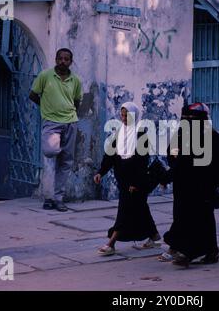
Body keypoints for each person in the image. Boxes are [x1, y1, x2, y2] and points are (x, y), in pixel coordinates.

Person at [160, 103, 219, 267]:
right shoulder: (182, 135)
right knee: (183, 217)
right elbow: (173, 154)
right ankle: (190, 249)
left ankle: (194, 252)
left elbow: (216, 165)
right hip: (183, 186)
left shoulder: (213, 137)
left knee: (203, 219)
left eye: (192, 118)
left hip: (202, 186)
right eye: (186, 118)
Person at [93, 102, 161, 256]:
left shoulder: (141, 135)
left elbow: (142, 162)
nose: (124, 118)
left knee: (124, 210)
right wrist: (100, 172)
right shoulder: (119, 133)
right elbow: (110, 155)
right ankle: (154, 235)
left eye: (127, 115)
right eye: (122, 115)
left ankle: (111, 243)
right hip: (123, 180)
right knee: (141, 208)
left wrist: (136, 183)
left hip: (135, 182)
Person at [29, 48, 82, 212]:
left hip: (70, 122)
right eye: (60, 58)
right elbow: (33, 95)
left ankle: (57, 198)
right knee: (50, 152)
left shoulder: (76, 80)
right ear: (55, 59)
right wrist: (46, 108)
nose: (63, 62)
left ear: (71, 62)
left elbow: (77, 100)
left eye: (66, 59)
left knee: (66, 162)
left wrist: (70, 114)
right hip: (51, 122)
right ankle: (51, 195)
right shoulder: (45, 76)